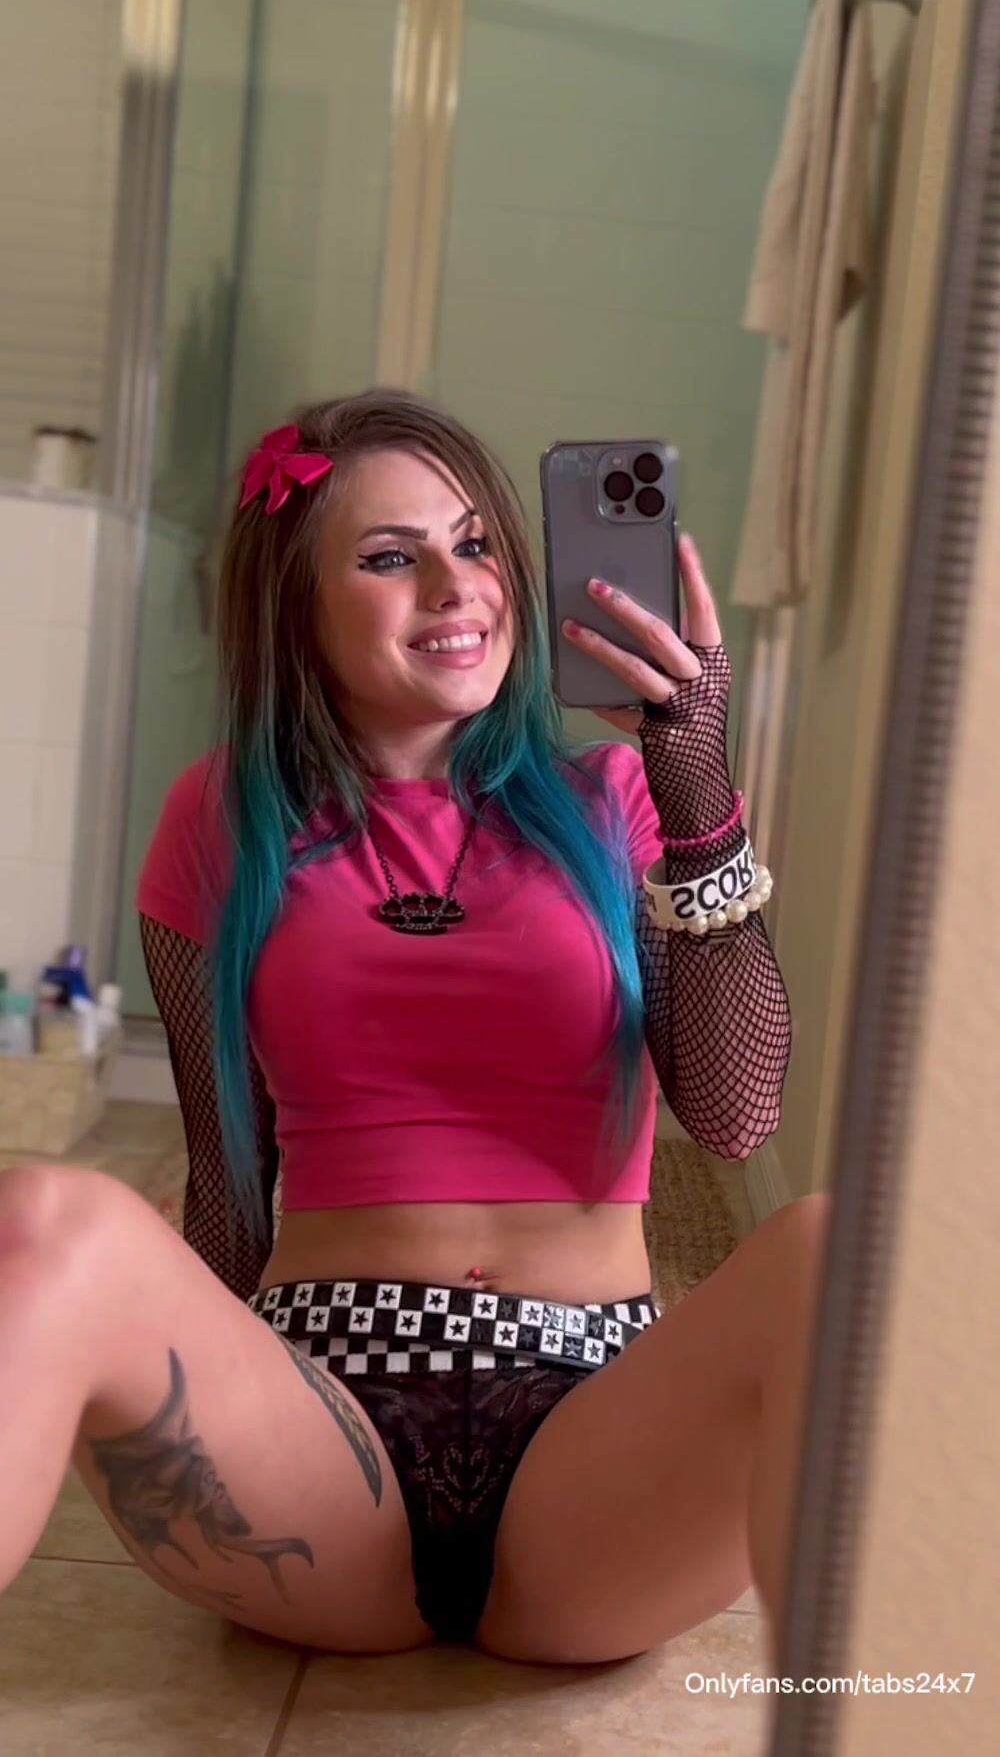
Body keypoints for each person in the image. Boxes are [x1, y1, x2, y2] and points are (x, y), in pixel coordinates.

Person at [0, 390, 827, 1670]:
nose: (456, 586)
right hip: (322, 1446)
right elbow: (229, 1177)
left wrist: (698, 789)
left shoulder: (615, 796)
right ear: (299, 601)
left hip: (594, 1446)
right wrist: (165, 1351)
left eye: (477, 543)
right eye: (392, 557)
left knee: (835, 1250)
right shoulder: (221, 818)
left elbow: (735, 1114)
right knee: (48, 1215)